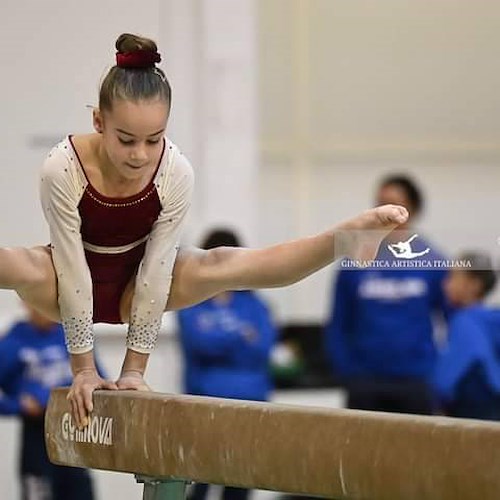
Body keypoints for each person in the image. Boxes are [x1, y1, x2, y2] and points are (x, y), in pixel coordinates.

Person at [0, 32, 409, 429]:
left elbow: (156, 272)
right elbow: (71, 270)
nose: (140, 155)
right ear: (98, 122)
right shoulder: (63, 166)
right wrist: (84, 370)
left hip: (139, 282)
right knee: (17, 265)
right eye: (126, 140)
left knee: (225, 263)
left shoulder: (174, 171)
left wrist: (134, 372)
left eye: (154, 140)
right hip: (64, 282)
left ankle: (344, 238)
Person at [324, 174, 450, 415]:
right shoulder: (356, 260)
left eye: (394, 203)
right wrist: (346, 369)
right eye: (381, 203)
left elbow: (452, 317)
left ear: (412, 208)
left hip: (416, 378)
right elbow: (339, 321)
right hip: (365, 378)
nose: (386, 211)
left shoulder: (433, 261)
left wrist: (441, 370)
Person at [177, 229, 277, 500]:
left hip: (250, 402)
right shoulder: (191, 302)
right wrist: (239, 336)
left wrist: (221, 341)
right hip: (205, 403)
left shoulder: (255, 304)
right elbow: (198, 343)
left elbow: (263, 347)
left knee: (239, 482)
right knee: (201, 481)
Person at [0, 304, 96, 500]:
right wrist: (18, 405)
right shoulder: (12, 341)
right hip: (37, 433)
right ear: (27, 303)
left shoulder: (74, 339)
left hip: (71, 432)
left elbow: (97, 378)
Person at [433, 252, 500, 420]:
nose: (445, 284)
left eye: (454, 277)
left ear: (474, 285)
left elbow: (460, 363)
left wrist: (438, 398)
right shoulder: (490, 319)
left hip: (476, 405)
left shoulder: (466, 320)